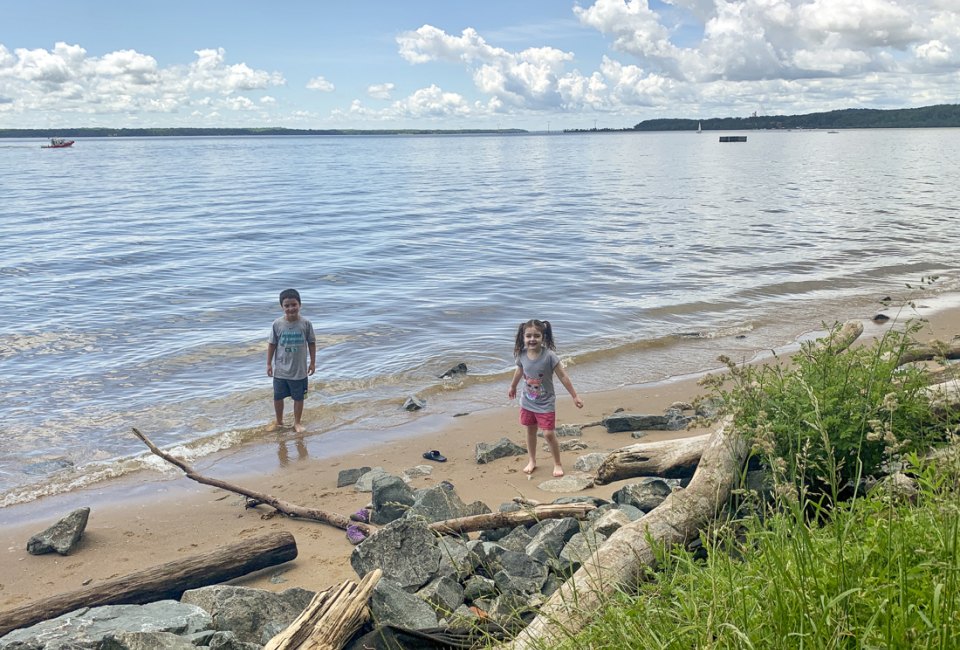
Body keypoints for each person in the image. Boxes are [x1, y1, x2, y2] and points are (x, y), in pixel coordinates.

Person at [507, 319, 583, 477]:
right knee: (530, 430)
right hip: (527, 401)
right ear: (523, 337)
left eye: (536, 335)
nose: (532, 339)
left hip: (545, 403)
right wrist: (513, 386)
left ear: (543, 337)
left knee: (548, 433)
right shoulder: (521, 355)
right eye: (528, 336)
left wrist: (574, 395)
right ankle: (532, 460)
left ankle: (557, 463)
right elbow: (519, 371)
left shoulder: (549, 356)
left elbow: (563, 376)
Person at [267, 288, 316, 433]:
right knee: (278, 397)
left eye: (293, 304)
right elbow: (272, 344)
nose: (290, 308)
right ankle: (279, 421)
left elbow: (312, 343)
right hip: (281, 370)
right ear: (282, 307)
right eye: (286, 306)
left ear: (299, 304)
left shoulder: (305, 324)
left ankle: (297, 422)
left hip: (299, 370)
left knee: (299, 398)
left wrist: (312, 362)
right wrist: (269, 363)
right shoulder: (277, 324)